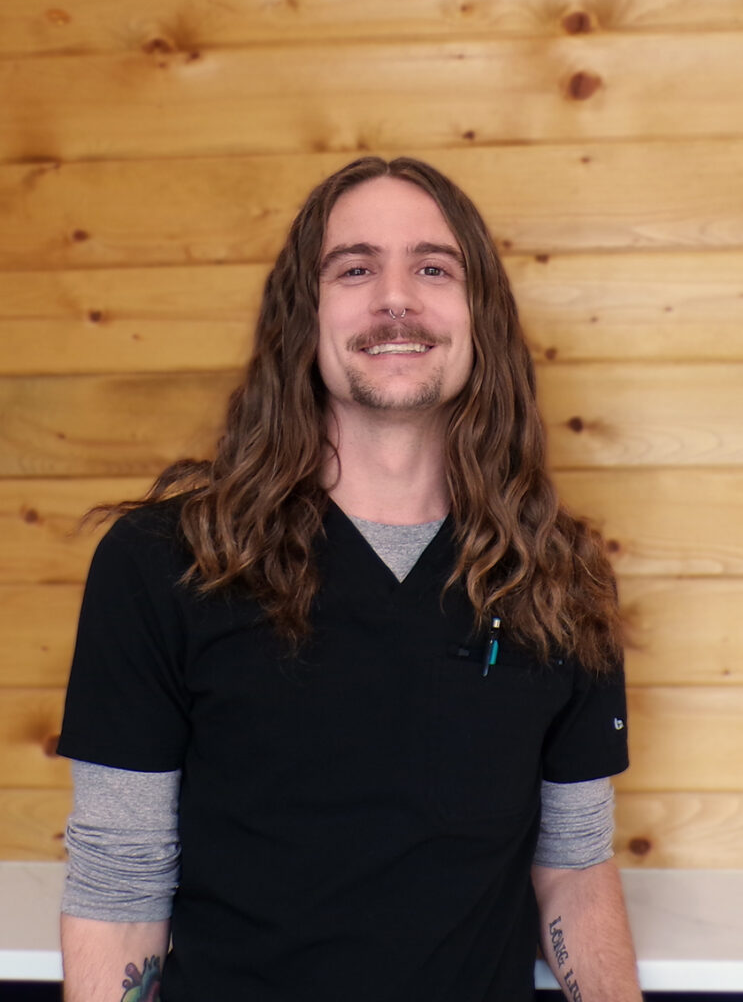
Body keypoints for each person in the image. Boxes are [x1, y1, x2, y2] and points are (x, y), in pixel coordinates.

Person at [58, 156, 642, 1002]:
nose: (395, 297)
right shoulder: (164, 560)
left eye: (433, 268)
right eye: (356, 268)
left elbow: (575, 867)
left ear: (479, 319)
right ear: (304, 318)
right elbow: (120, 885)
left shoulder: (556, 574)